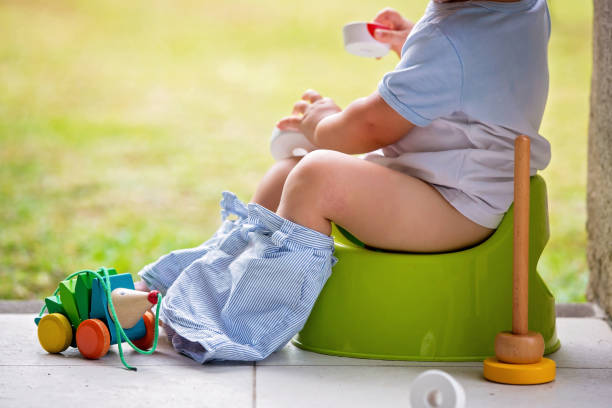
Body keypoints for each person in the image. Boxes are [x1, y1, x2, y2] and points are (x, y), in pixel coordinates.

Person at [135, 0, 552, 363]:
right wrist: (413, 41)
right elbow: (482, 67)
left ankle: (236, 324)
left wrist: (322, 123)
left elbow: (369, 127)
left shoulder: (452, 37)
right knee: (288, 173)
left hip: (455, 204)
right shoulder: (521, 9)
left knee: (317, 174)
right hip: (437, 183)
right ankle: (203, 281)